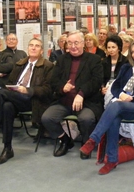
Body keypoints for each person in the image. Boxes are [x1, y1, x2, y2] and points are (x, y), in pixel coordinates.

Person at [80, 39, 134, 175]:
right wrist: (121, 95)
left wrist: (132, 97)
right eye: (132, 51)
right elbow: (115, 86)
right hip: (121, 103)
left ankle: (93, 139)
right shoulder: (126, 68)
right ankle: (112, 160)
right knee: (114, 117)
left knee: (115, 106)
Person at [0, 38, 54, 164]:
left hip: (33, 100)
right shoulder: (20, 64)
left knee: (0, 93)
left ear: (41, 50)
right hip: (15, 97)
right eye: (31, 45)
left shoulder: (48, 66)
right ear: (28, 48)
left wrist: (27, 90)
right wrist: (14, 89)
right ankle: (7, 148)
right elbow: (10, 82)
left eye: (37, 46)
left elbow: (48, 90)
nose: (33, 48)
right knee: (7, 107)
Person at [41, 31, 103, 159]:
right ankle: (65, 140)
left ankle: (87, 144)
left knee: (86, 119)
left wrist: (81, 94)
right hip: (65, 100)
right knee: (47, 118)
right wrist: (62, 87)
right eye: (70, 43)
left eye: (76, 43)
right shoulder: (62, 60)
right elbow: (53, 81)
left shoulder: (94, 60)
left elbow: (96, 81)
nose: (73, 46)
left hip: (87, 102)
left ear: (83, 43)